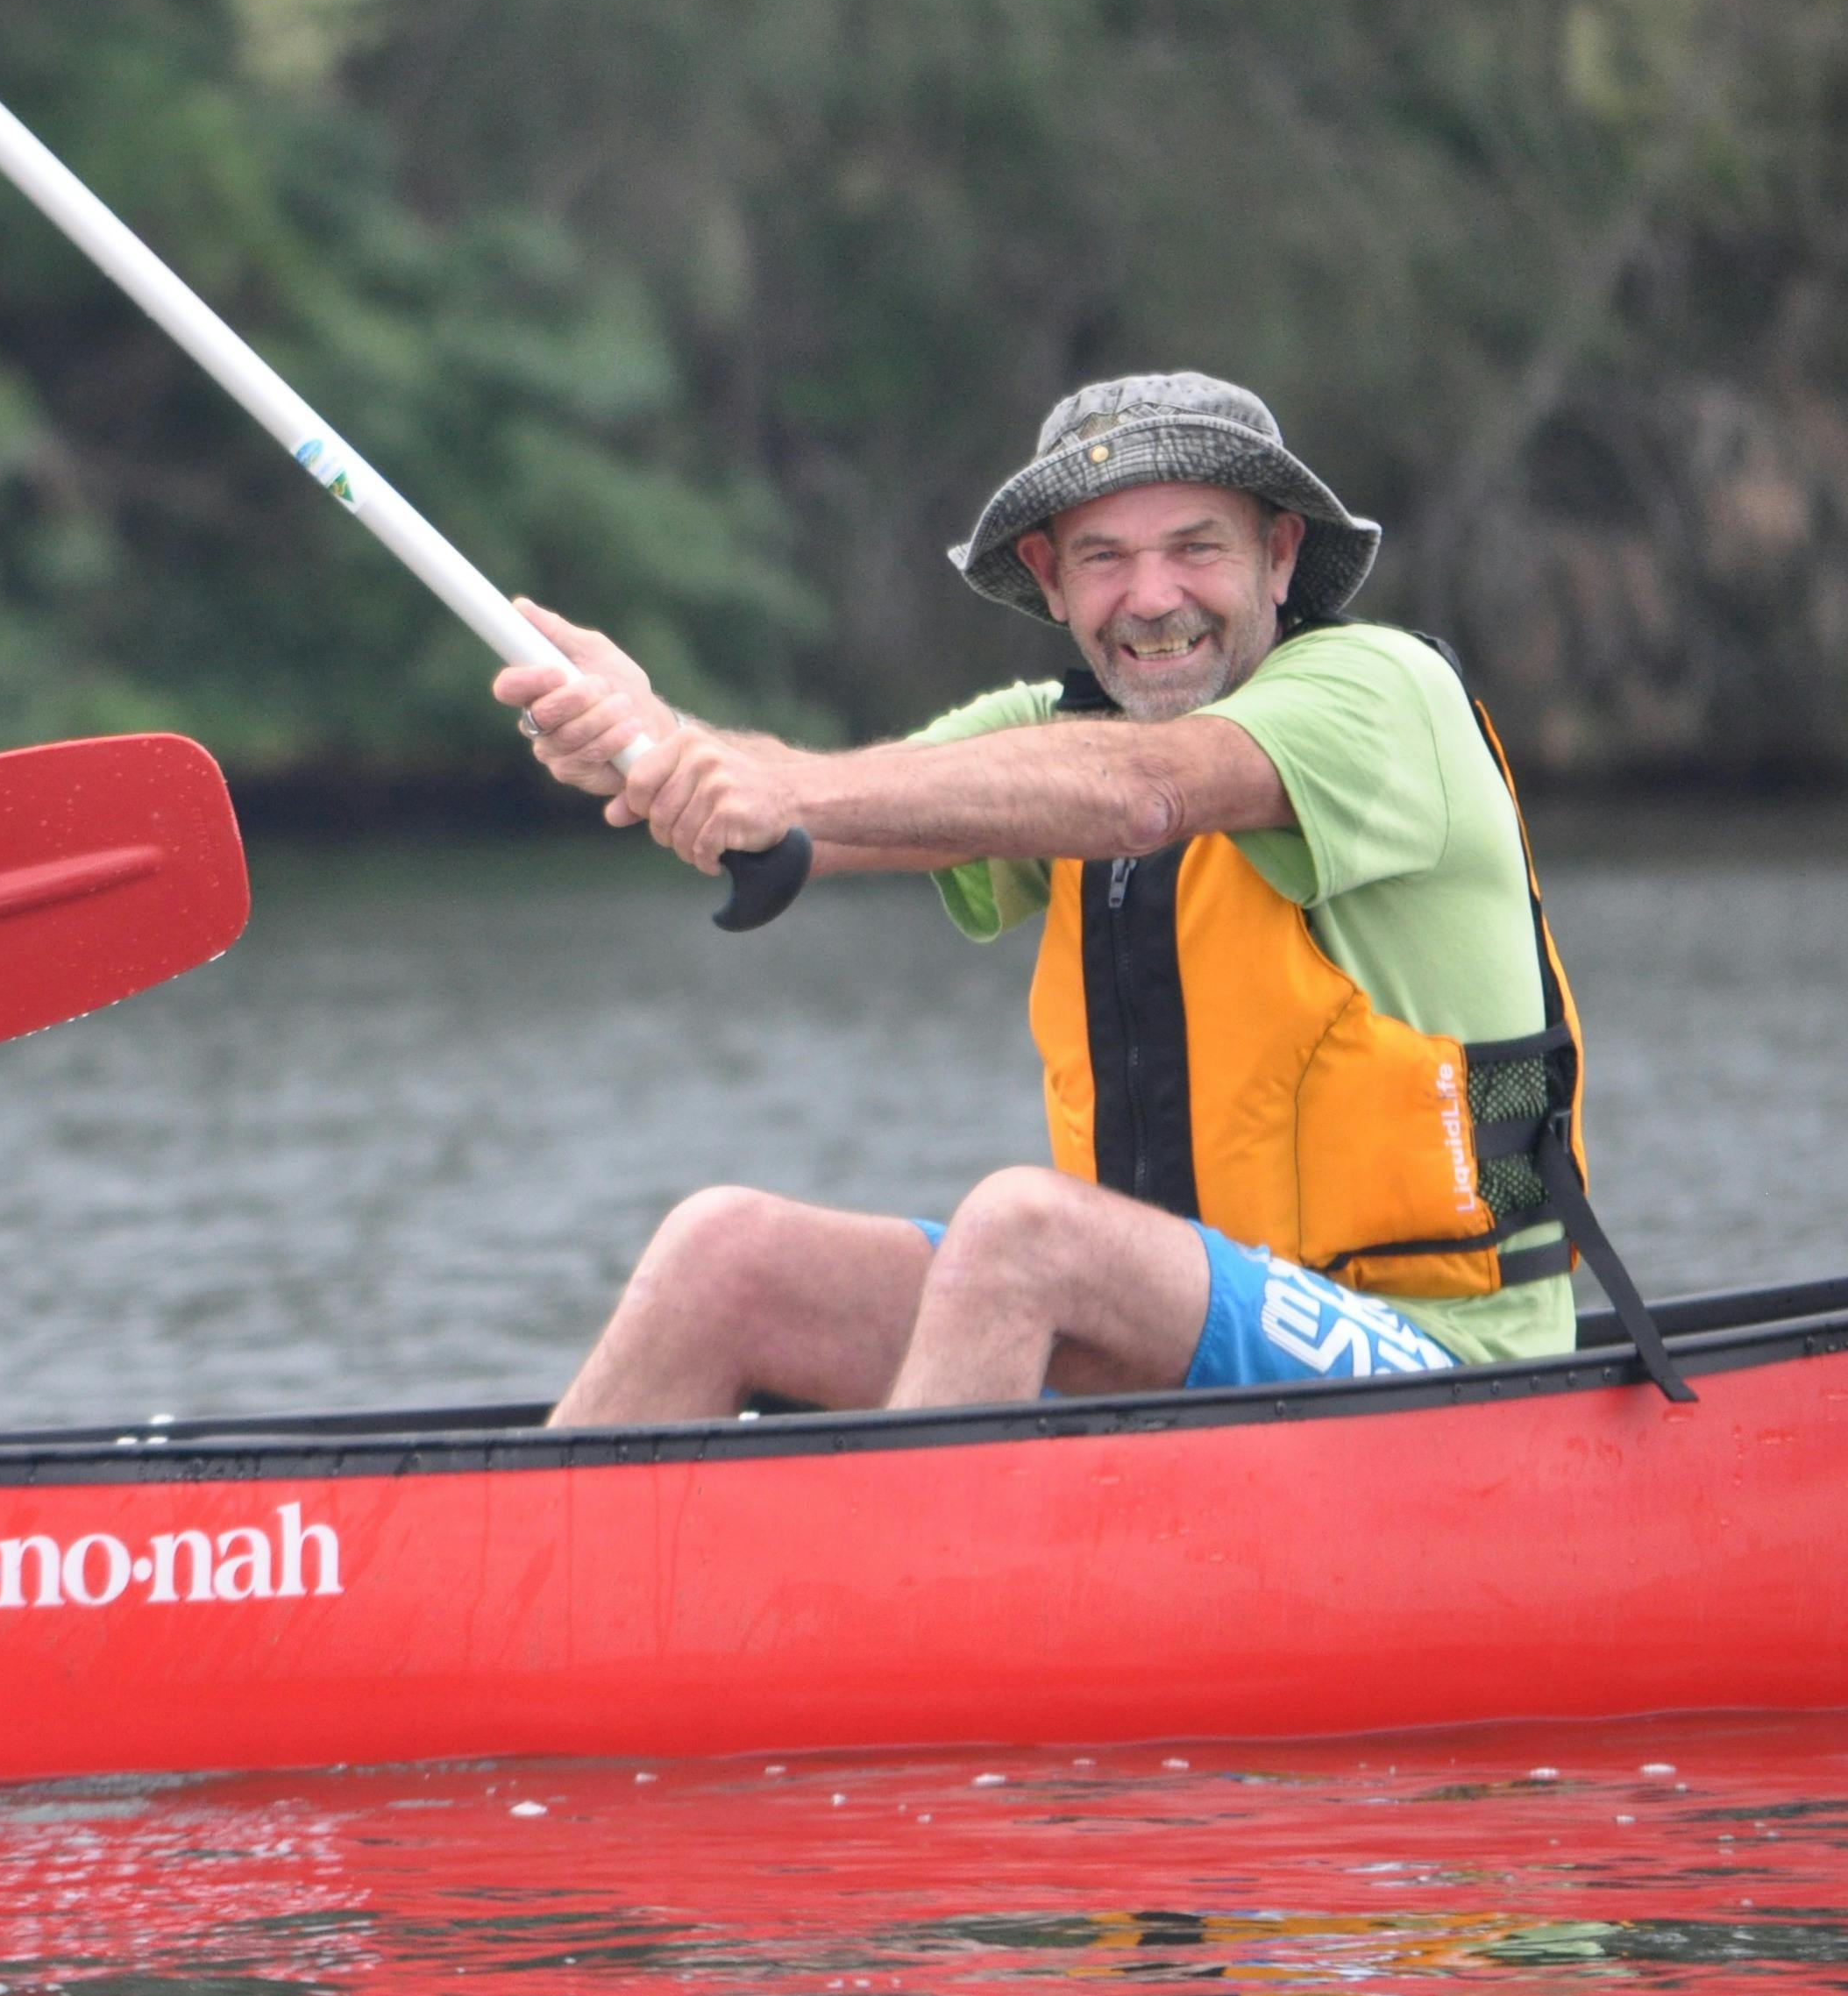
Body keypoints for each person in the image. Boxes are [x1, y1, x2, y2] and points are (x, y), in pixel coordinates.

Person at [496, 371, 1674, 1423]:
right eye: (1104, 558)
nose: (1152, 597)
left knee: (1024, 1233)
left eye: (1195, 548)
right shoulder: (1054, 736)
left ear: (1278, 557)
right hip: (1175, 1346)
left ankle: (908, 1590)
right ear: (1050, 581)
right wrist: (658, 744)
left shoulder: (1378, 694)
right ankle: (531, 1593)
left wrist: (782, 787)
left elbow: (1144, 794)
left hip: (1445, 1367)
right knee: (724, 1255)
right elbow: (809, 811)